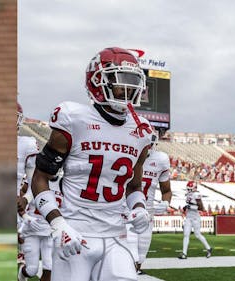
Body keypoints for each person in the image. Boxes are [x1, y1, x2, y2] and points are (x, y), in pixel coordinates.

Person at [31, 47, 153, 281]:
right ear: (98, 81)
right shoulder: (74, 118)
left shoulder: (141, 131)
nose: (128, 88)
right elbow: (40, 178)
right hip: (76, 232)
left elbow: (134, 187)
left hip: (117, 236)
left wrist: (139, 208)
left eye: (132, 81)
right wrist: (58, 224)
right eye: (120, 80)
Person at [126, 131, 172, 274]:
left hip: (147, 215)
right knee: (130, 256)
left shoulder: (161, 160)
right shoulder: (127, 155)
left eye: (149, 144)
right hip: (127, 213)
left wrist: (165, 203)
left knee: (140, 257)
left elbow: (166, 191)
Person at [18, 170, 63, 281]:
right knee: (32, 270)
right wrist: (25, 217)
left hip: (50, 232)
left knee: (50, 268)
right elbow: (19, 199)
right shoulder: (33, 179)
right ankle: (22, 274)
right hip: (32, 230)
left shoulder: (65, 182)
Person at [16, 103, 39, 269]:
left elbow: (34, 182)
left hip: (16, 209)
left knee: (21, 261)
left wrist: (26, 198)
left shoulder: (26, 144)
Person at [178, 181, 212, 259]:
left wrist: (190, 207)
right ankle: (184, 253)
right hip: (188, 217)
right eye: (188, 189)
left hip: (195, 218)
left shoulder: (197, 195)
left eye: (190, 189)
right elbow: (190, 204)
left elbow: (201, 208)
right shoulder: (189, 194)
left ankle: (208, 248)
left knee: (197, 235)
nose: (188, 190)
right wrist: (186, 207)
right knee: (186, 235)